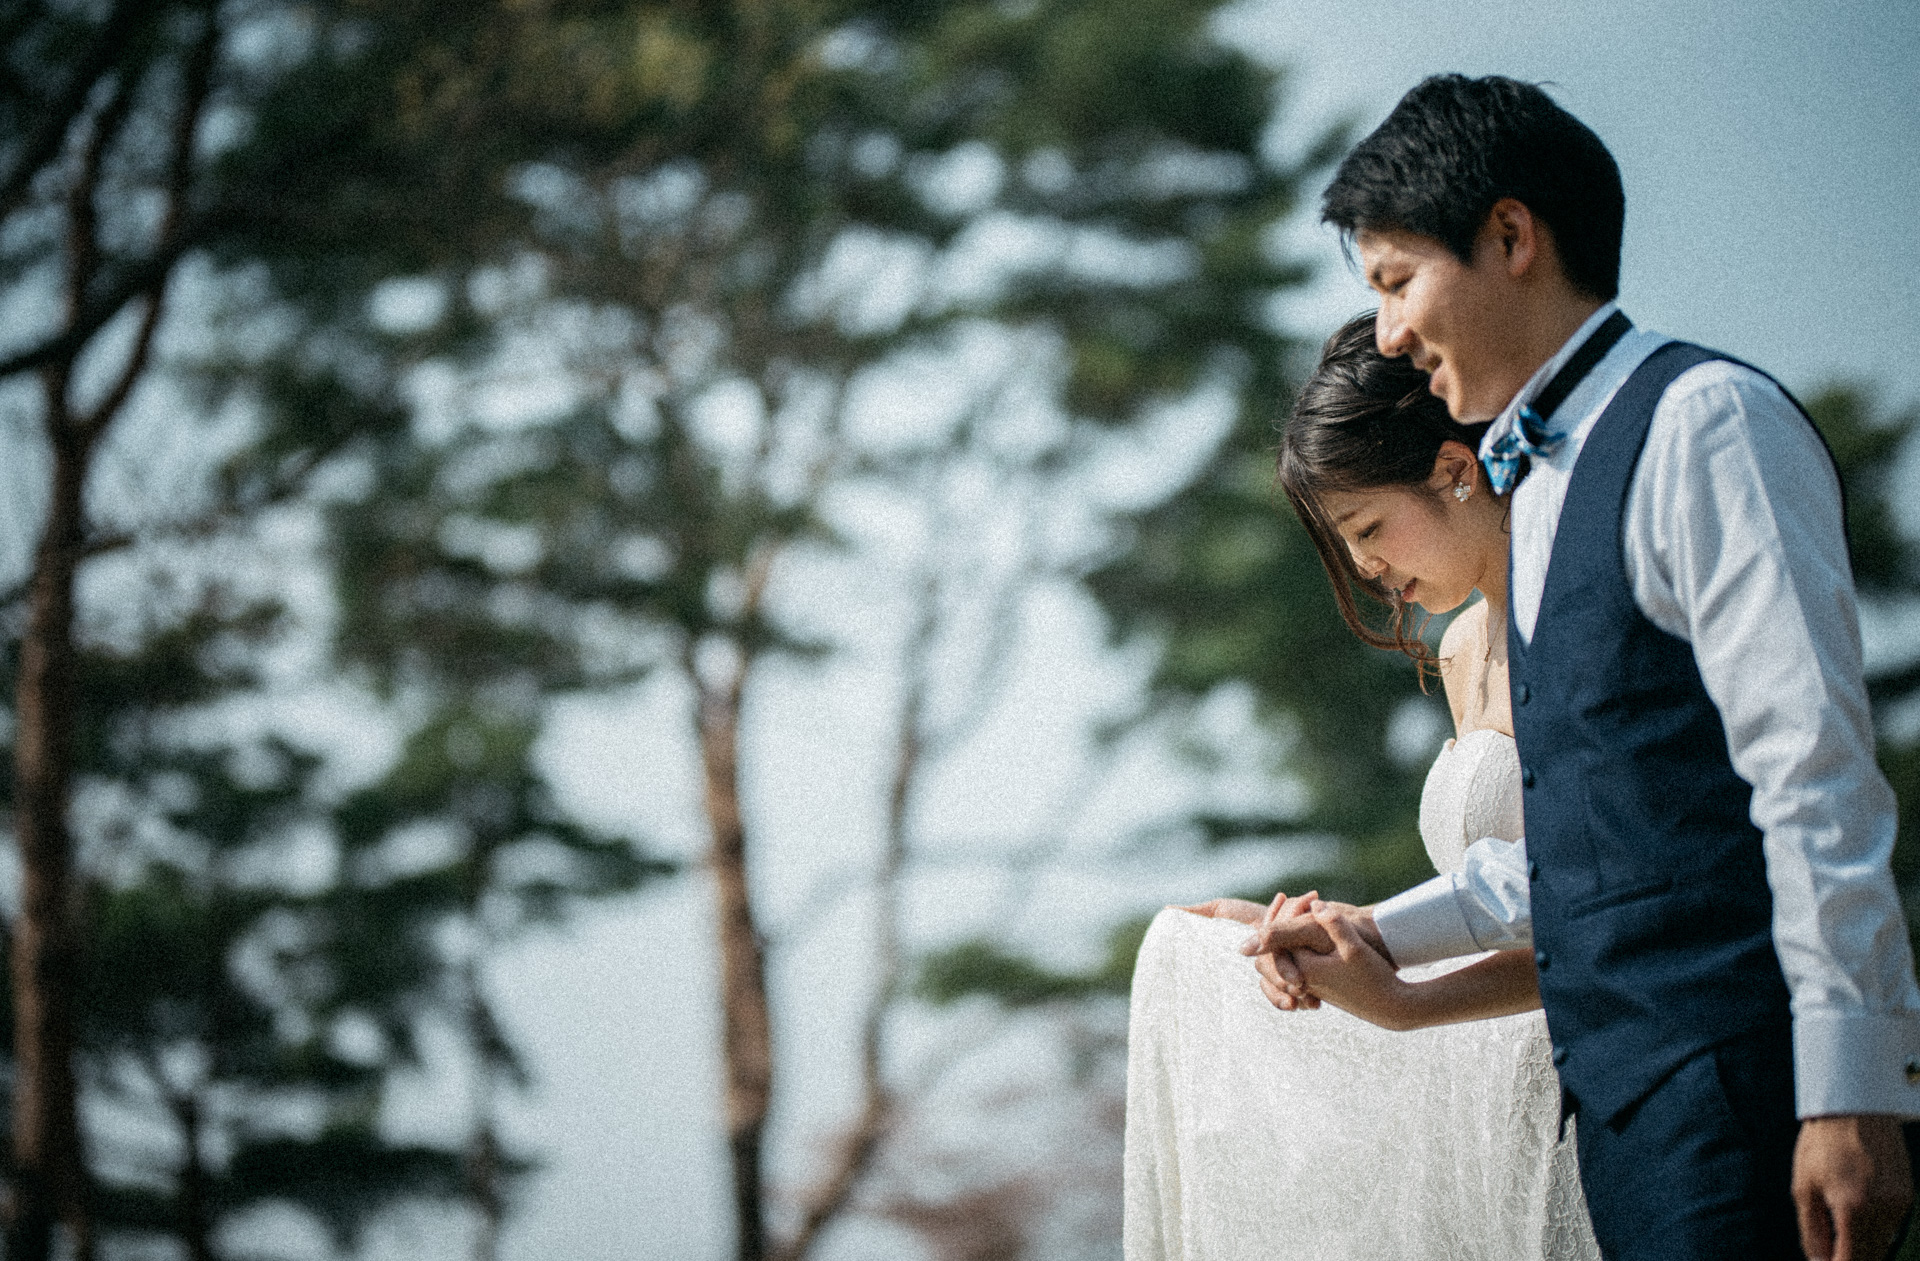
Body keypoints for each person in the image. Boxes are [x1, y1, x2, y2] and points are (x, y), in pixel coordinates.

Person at [1242, 74, 1920, 1261]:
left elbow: (1811, 770)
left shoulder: (1706, 421)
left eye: (1398, 282)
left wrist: (1850, 1083)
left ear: (1512, 237)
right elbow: (1589, 849)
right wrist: (1374, 934)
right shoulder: (1538, 493)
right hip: (1620, 1119)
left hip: (1739, 1085)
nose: (1389, 333)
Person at [1123, 314, 1601, 1261]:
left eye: (1370, 528)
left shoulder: (1580, 615)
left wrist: (1373, 935)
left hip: (1622, 1070)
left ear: (1456, 471)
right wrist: (1321, 934)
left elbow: (1582, 892)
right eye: (1347, 543)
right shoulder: (1461, 649)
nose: (1366, 568)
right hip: (1504, 1107)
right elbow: (1532, 934)